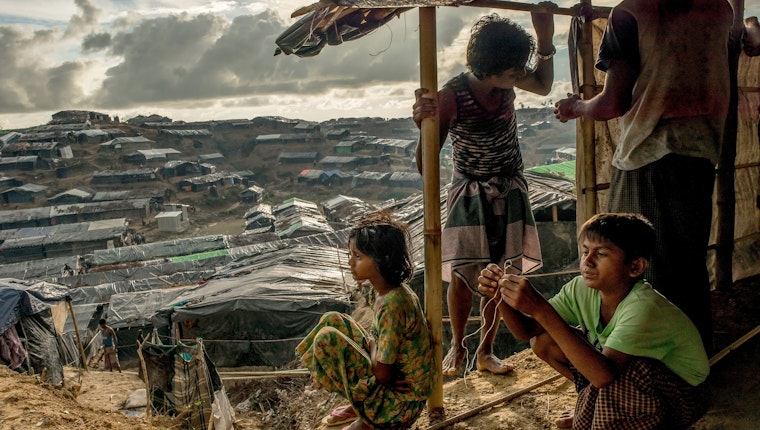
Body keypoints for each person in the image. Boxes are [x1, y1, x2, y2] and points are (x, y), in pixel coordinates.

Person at [553, 0, 733, 349]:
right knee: (687, 263)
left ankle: (646, 366)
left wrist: (574, 107)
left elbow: (612, 103)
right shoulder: (719, 9)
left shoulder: (631, 13)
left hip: (649, 155)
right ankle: (693, 356)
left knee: (639, 269)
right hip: (700, 151)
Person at [412, 5, 556, 376]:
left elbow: (541, 85)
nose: (519, 76)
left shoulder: (505, 83)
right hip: (471, 192)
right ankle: (458, 348)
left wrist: (544, 41)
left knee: (499, 274)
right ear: (490, 69)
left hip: (509, 187)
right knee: (462, 276)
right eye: (513, 71)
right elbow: (425, 163)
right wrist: (424, 125)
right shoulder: (453, 96)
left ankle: (485, 351)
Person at [478, 213, 710, 429]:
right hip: (630, 383)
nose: (587, 262)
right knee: (545, 341)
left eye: (601, 254)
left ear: (635, 267)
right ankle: (593, 404)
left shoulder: (644, 307)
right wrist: (501, 297)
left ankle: (602, 408)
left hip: (682, 397)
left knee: (619, 373)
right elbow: (528, 331)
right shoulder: (580, 289)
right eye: (585, 251)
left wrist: (540, 308)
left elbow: (603, 376)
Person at [295, 210, 432, 430]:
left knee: (328, 338)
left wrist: (373, 345)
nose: (350, 263)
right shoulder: (383, 291)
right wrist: (372, 345)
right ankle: (360, 402)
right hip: (392, 378)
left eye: (358, 257)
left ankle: (369, 413)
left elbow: (382, 373)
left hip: (402, 402)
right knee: (333, 320)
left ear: (384, 259)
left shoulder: (393, 303)